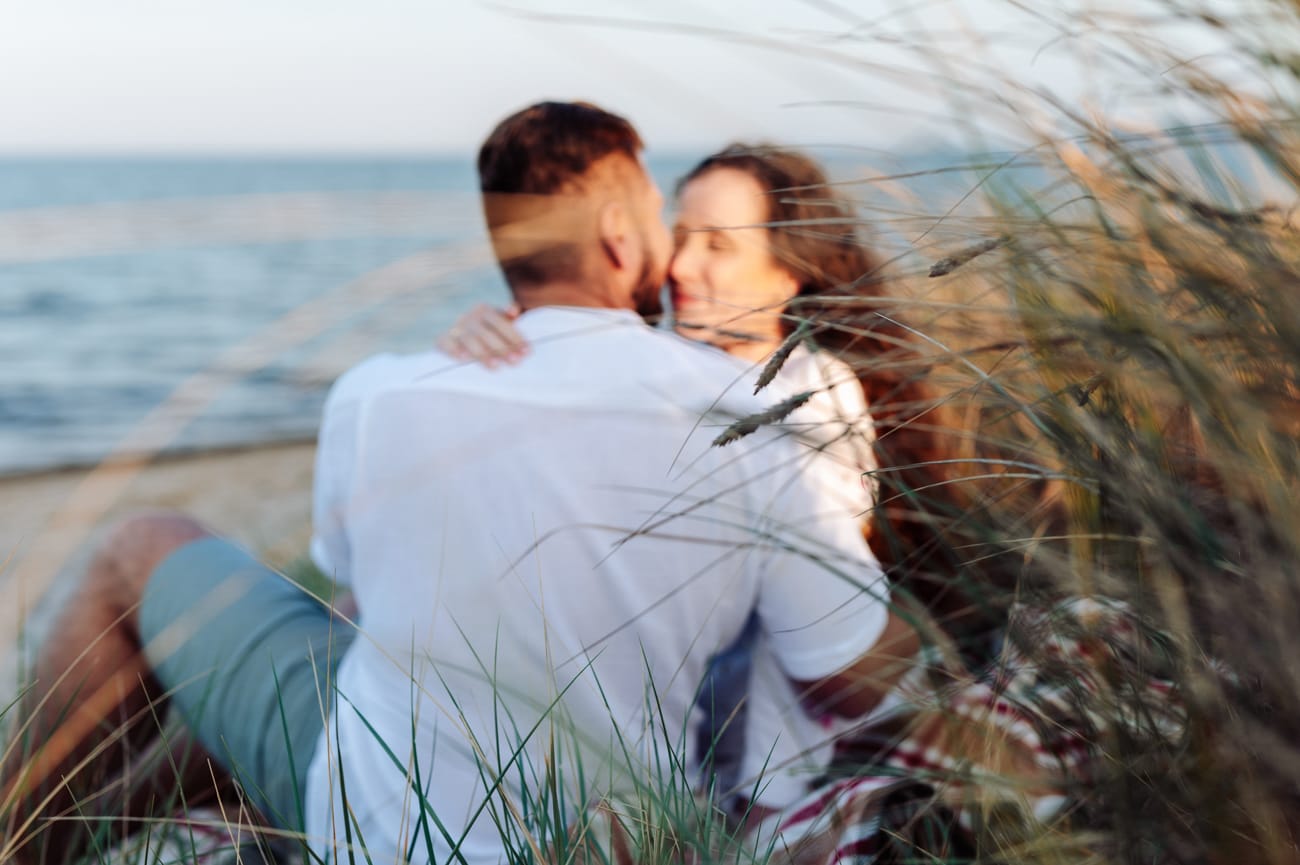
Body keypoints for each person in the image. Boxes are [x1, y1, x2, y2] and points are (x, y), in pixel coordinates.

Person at [1, 102, 919, 865]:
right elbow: (847, 662)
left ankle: (26, 831)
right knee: (320, 662)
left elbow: (356, 595)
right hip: (595, 803)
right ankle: (53, 833)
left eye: (713, 243)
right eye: (668, 228)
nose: (678, 263)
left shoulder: (382, 394)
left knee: (151, 551)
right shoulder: (735, 411)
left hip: (406, 819)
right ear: (618, 237)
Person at [437, 142, 963, 813]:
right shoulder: (658, 367)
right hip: (609, 736)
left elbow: (815, 647)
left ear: (788, 273)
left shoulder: (814, 400)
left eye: (718, 245)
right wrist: (506, 334)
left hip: (752, 770)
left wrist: (760, 810)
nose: (681, 266)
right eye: (680, 236)